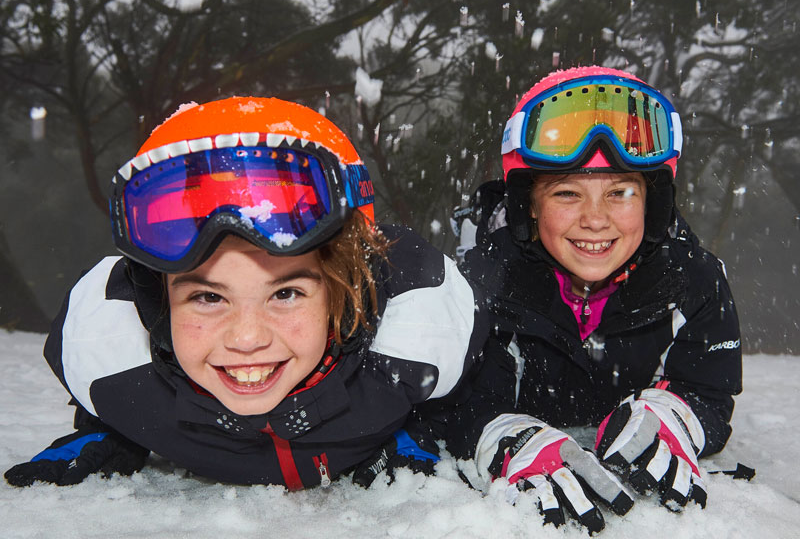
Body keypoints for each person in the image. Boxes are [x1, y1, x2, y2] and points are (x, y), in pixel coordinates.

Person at [5, 96, 486, 490]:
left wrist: (413, 429)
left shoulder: (411, 355)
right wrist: (110, 429)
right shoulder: (117, 376)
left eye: (287, 293)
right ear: (157, 304)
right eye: (208, 298)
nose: (248, 339)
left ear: (345, 293)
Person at [447, 66, 742, 533]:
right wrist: (502, 437)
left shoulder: (693, 280)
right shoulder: (482, 285)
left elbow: (708, 389)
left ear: (652, 202)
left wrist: (674, 416)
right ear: (531, 206)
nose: (595, 219)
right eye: (567, 193)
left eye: (620, 192)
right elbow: (455, 403)